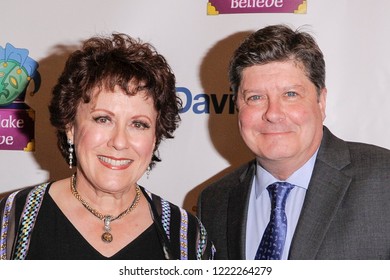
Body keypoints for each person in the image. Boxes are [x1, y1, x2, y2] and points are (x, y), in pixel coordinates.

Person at [0, 33, 214, 260]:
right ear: (70, 126)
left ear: (154, 138)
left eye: (138, 124)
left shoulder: (186, 237)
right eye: (103, 119)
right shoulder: (14, 219)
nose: (119, 142)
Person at [197, 24, 390, 260]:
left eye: (290, 95)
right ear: (237, 105)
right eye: (255, 97)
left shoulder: (384, 180)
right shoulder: (215, 202)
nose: (273, 113)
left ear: (321, 101)